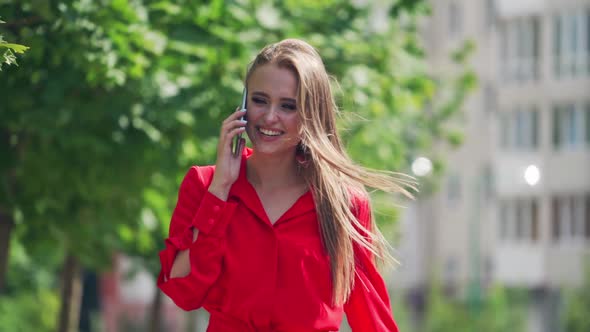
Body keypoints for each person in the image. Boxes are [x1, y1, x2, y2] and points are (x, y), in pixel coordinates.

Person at [157, 39, 415, 332]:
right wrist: (220, 191)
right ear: (242, 103)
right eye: (259, 100)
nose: (269, 117)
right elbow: (182, 291)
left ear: (310, 113)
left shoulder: (344, 203)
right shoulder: (205, 186)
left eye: (288, 106)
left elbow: (370, 318)